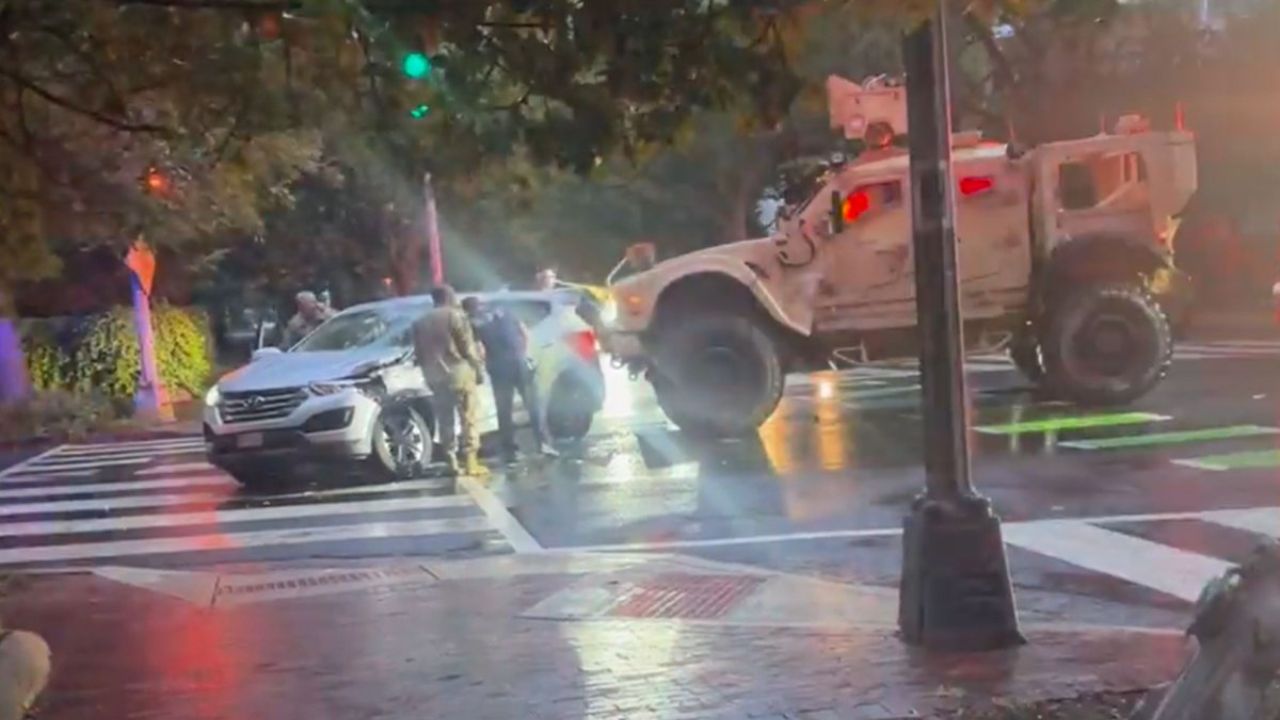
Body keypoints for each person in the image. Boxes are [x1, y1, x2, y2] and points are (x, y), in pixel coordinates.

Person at [462, 297, 558, 464]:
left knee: (504, 410)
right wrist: (525, 354)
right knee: (533, 405)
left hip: (499, 367)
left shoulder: (474, 323)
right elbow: (524, 332)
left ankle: (510, 450)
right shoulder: (505, 313)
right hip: (519, 362)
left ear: (468, 310)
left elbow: (479, 349)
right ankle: (544, 444)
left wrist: (480, 367)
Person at [413, 285, 487, 477]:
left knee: (445, 419)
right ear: (449, 297)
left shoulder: (420, 322)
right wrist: (478, 369)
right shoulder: (456, 316)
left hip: (435, 376)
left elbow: (419, 353)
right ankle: (471, 461)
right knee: (468, 418)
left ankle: (452, 461)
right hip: (459, 372)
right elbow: (467, 347)